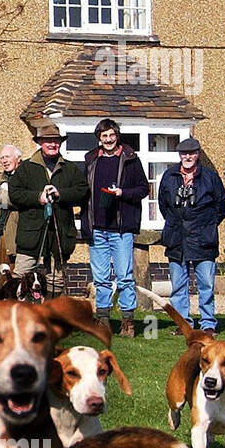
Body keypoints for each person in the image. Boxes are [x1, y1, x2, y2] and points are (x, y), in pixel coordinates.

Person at [81, 118, 150, 337]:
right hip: (97, 228)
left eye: (111, 135)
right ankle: (103, 320)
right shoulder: (91, 160)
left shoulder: (130, 159)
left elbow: (143, 189)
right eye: (104, 136)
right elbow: (84, 192)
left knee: (124, 277)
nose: (108, 139)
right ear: (99, 139)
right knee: (101, 278)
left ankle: (128, 321)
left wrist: (123, 193)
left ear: (116, 136)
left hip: (121, 229)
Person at [157, 137, 225, 335]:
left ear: (197, 155)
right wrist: (175, 223)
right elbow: (164, 205)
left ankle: (208, 324)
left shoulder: (210, 177)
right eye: (184, 153)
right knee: (178, 285)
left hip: (203, 239)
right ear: (179, 155)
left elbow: (222, 206)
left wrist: (208, 225)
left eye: (192, 153)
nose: (188, 157)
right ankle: (184, 324)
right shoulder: (169, 176)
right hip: (176, 238)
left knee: (206, 284)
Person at [8, 124, 87, 297]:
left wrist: (60, 194)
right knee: (21, 275)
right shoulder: (26, 168)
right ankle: (17, 319)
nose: (52, 144)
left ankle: (50, 319)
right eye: (48, 141)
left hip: (60, 234)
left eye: (56, 141)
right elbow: (14, 194)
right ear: (40, 143)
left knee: (56, 279)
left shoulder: (71, 169)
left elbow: (83, 191)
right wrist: (38, 198)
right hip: (31, 235)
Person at [0, 143, 22, 267]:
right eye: (2, 158)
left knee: (14, 275)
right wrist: (2, 184)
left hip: (15, 236)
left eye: (7, 157)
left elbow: (18, 201)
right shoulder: (2, 177)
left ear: (18, 158)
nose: (4, 161)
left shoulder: (24, 176)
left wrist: (0, 195)